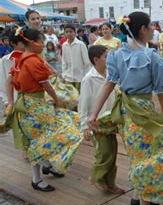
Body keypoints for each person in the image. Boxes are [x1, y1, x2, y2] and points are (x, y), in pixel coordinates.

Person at [87, 12, 163, 205]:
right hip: (143, 111)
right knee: (149, 156)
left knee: (136, 154)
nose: (153, 30)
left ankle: (141, 195)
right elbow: (160, 91)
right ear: (142, 29)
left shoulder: (116, 55)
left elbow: (109, 83)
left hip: (125, 111)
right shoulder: (153, 58)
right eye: (150, 26)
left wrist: (94, 113)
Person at [5, 27, 83, 192]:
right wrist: (56, 99)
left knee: (40, 137)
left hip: (27, 104)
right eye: (40, 41)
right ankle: (37, 178)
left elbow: (10, 81)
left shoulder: (21, 59)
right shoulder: (33, 60)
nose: (42, 44)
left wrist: (11, 102)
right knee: (46, 137)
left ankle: (47, 166)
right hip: (36, 106)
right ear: (31, 43)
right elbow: (45, 84)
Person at [78, 45, 124, 195]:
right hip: (96, 123)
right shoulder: (89, 79)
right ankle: (97, 176)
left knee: (113, 151)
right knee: (104, 152)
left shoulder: (111, 74)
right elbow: (83, 105)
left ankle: (110, 183)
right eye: (106, 57)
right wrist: (85, 127)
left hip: (111, 121)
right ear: (96, 60)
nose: (109, 59)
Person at [0, 28, 25, 108]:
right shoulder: (5, 60)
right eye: (22, 41)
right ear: (13, 43)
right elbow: (3, 82)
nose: (25, 43)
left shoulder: (32, 57)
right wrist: (7, 102)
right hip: (14, 100)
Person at [61, 24, 91, 92]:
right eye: (67, 32)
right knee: (70, 99)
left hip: (80, 77)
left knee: (80, 97)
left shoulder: (81, 44)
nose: (69, 33)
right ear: (64, 33)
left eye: (71, 31)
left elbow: (86, 62)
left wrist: (86, 76)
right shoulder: (64, 45)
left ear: (75, 32)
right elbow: (64, 61)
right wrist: (64, 74)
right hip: (68, 77)